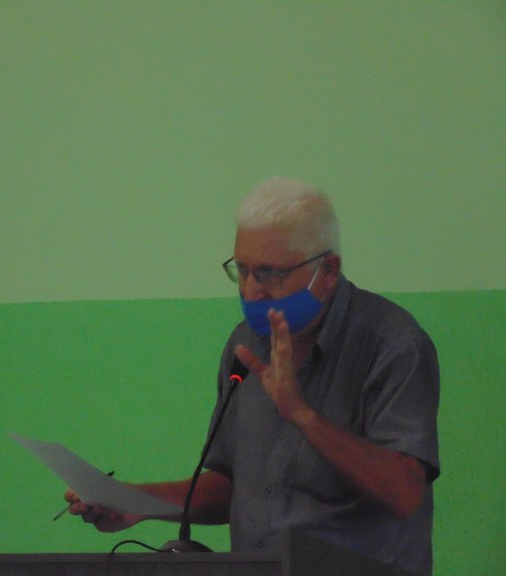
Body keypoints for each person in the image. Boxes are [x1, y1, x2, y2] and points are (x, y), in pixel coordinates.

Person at [66, 177, 440, 576]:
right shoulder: (245, 344)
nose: (250, 291)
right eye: (241, 271)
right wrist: (135, 501)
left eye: (268, 274)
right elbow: (237, 488)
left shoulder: (394, 345)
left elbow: (404, 494)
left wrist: (302, 415)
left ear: (328, 271)